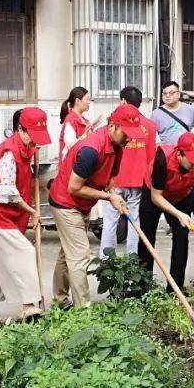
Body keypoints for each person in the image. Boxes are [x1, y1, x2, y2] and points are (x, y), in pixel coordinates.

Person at [48, 103, 147, 306]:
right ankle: (82, 309)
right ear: (112, 126)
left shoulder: (118, 146)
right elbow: (74, 187)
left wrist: (114, 194)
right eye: (126, 133)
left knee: (68, 252)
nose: (129, 138)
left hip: (81, 204)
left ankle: (59, 299)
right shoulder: (90, 150)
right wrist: (109, 198)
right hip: (65, 202)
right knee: (80, 255)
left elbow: (110, 179)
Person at [0, 107, 52, 324]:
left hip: (8, 215)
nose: (35, 143)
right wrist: (33, 212)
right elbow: (9, 193)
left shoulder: (26, 149)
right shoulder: (8, 153)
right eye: (32, 137)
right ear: (20, 129)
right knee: (24, 252)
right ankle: (29, 306)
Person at [137, 132, 194, 291]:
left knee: (182, 235)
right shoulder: (162, 158)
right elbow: (156, 197)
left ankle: (175, 289)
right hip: (154, 193)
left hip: (182, 195)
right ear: (179, 154)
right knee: (147, 236)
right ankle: (142, 289)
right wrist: (179, 215)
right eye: (192, 160)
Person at [100, 86, 158, 257]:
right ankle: (133, 261)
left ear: (123, 101)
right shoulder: (151, 126)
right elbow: (152, 157)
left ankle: (105, 260)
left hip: (114, 181)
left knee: (110, 222)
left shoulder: (114, 125)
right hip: (139, 181)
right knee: (135, 223)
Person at [152, 80, 194, 145]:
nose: (167, 96)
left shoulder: (190, 109)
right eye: (165, 93)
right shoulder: (156, 114)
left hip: (186, 151)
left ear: (178, 94)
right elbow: (152, 135)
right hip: (167, 152)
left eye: (171, 93)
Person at [59, 86, 91, 161]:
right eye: (87, 99)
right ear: (77, 100)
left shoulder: (84, 120)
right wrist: (84, 137)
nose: (89, 102)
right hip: (69, 167)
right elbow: (70, 145)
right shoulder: (70, 120)